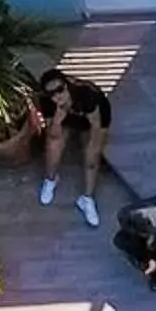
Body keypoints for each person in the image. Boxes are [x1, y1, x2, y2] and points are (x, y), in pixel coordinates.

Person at [34, 66, 112, 226]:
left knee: (91, 157)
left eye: (60, 90)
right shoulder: (48, 102)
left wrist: (92, 146)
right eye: (52, 94)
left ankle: (86, 199)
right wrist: (57, 118)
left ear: (67, 85)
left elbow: (95, 126)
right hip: (67, 117)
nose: (57, 96)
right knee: (52, 146)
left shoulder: (86, 94)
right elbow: (52, 134)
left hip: (92, 119)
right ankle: (51, 179)